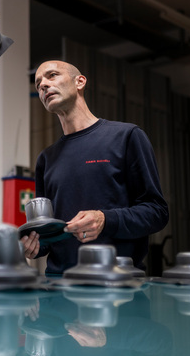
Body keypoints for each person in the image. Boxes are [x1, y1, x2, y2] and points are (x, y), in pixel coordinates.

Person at [22, 60, 169, 274]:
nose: (43, 85)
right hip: (58, 285)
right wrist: (34, 245)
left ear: (80, 82)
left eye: (52, 75)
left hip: (116, 282)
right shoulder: (46, 159)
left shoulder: (126, 137)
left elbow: (157, 212)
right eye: (38, 84)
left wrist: (105, 219)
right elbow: (47, 236)